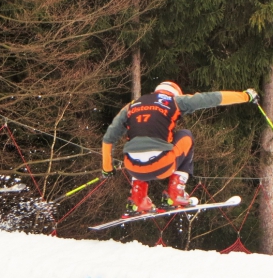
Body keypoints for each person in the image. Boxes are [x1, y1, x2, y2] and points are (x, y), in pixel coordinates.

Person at [101, 81, 259, 217]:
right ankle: (175, 194)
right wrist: (245, 96)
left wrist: (107, 168)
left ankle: (138, 198)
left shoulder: (131, 106)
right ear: (175, 93)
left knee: (140, 141)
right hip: (162, 165)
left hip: (133, 168)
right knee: (185, 135)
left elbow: (108, 139)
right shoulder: (174, 101)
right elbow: (213, 98)